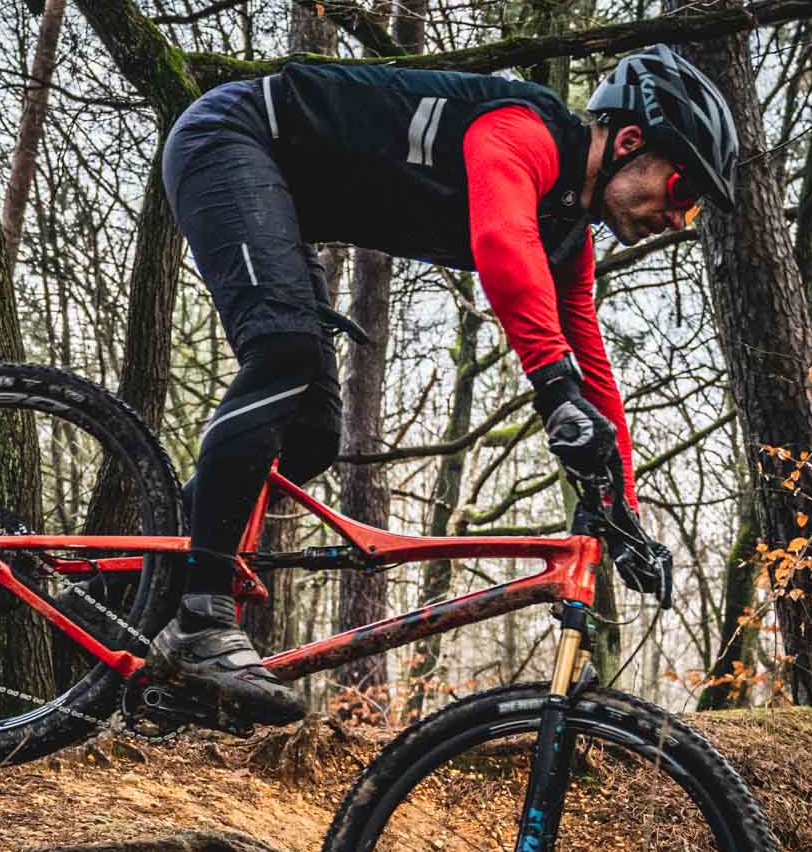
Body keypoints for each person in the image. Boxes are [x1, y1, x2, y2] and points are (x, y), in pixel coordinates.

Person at [147, 44, 740, 723]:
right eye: (682, 191)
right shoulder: (524, 132)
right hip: (230, 137)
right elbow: (501, 243)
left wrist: (623, 509)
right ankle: (201, 617)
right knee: (283, 355)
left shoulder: (568, 237)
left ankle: (149, 589)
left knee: (309, 434)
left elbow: (593, 366)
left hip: (282, 194)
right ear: (630, 142)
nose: (679, 218)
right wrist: (554, 391)